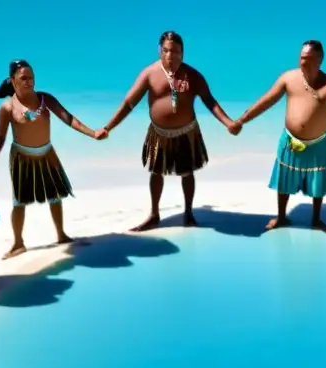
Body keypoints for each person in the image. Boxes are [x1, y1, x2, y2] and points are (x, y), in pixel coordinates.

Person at [236, 40, 326, 233]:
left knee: (317, 182)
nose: (302, 62)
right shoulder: (288, 78)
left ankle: (316, 219)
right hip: (290, 140)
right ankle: (281, 217)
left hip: (319, 143)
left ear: (319, 60)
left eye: (308, 59)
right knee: (284, 180)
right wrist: (243, 119)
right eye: (301, 58)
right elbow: (266, 100)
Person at [102, 32, 239, 232]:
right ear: (160, 51)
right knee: (156, 172)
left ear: (182, 53)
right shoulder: (149, 73)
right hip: (159, 133)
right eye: (165, 50)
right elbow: (128, 103)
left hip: (186, 132)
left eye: (175, 51)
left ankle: (189, 212)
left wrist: (228, 122)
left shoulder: (193, 75)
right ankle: (154, 214)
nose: (170, 55)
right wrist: (108, 127)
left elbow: (210, 101)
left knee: (187, 172)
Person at [0, 60, 107, 258]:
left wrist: (92, 133)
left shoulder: (45, 99)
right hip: (22, 157)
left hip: (46, 153)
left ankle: (61, 234)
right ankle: (18, 243)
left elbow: (68, 118)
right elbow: (0, 137)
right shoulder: (7, 108)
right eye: (23, 78)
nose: (29, 82)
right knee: (19, 202)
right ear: (12, 80)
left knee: (55, 196)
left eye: (31, 77)